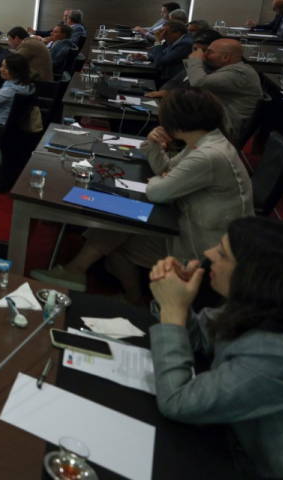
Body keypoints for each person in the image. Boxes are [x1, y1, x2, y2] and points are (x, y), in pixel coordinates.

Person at [33, 88, 252, 303]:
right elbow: (165, 169)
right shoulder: (204, 141)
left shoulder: (208, 155)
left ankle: (130, 298)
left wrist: (161, 180)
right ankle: (78, 272)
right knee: (118, 221)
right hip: (183, 222)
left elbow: (157, 191)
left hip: (201, 247)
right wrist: (154, 145)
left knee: (119, 230)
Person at [146, 218, 283, 479]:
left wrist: (172, 310)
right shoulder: (265, 306)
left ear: (253, 275)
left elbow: (177, 401)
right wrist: (178, 299)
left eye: (222, 254)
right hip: (227, 436)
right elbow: (202, 338)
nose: (208, 253)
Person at [179, 38, 261, 140]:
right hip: (218, 119)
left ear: (226, 57)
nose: (204, 55)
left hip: (227, 128)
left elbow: (198, 83)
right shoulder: (231, 69)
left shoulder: (239, 73)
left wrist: (194, 60)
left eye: (209, 52)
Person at [150, 20, 193, 85]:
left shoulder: (185, 44)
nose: (163, 35)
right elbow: (163, 53)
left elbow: (160, 61)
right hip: (164, 74)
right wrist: (146, 57)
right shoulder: (176, 39)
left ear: (177, 33)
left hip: (172, 80)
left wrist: (157, 41)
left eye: (166, 33)